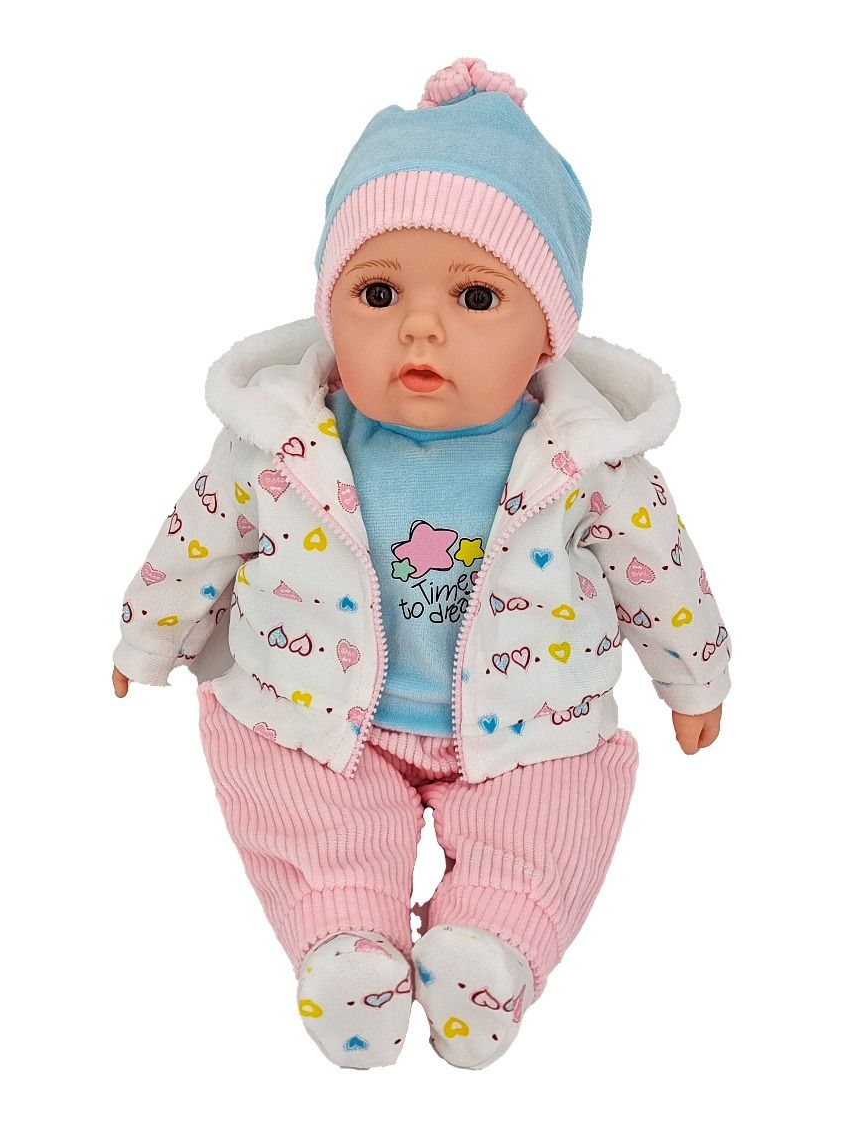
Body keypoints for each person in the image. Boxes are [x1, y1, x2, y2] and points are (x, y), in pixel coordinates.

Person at [112, 56, 730, 1070]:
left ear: (548, 334)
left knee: (558, 819)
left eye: (477, 296)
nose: (421, 325)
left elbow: (660, 570)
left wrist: (694, 678)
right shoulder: (283, 441)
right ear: (331, 308)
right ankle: (344, 940)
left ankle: (490, 944)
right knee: (292, 803)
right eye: (379, 290)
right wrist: (149, 636)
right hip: (313, 716)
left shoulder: (586, 461)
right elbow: (199, 534)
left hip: (532, 727)